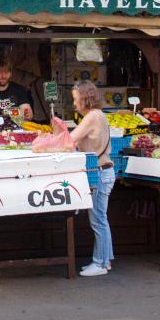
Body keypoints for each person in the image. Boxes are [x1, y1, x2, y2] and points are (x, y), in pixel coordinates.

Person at [68, 80, 114, 277]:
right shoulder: (97, 115)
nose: (74, 104)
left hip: (100, 173)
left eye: (76, 99)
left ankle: (100, 263)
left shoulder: (92, 117)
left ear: (85, 98)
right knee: (100, 219)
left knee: (98, 220)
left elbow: (70, 140)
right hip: (103, 171)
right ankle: (106, 259)